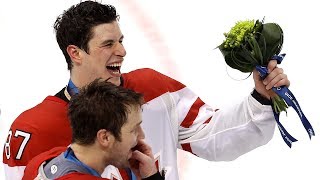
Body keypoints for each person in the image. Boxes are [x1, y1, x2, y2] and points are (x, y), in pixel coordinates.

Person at [3, 1, 290, 179]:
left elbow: (215, 137)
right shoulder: (33, 129)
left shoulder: (153, 88)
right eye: (108, 44)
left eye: (121, 40)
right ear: (76, 53)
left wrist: (261, 98)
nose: (122, 51)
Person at [22, 79, 163, 180]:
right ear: (105, 138)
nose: (141, 136)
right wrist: (151, 176)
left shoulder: (41, 161)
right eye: (134, 130)